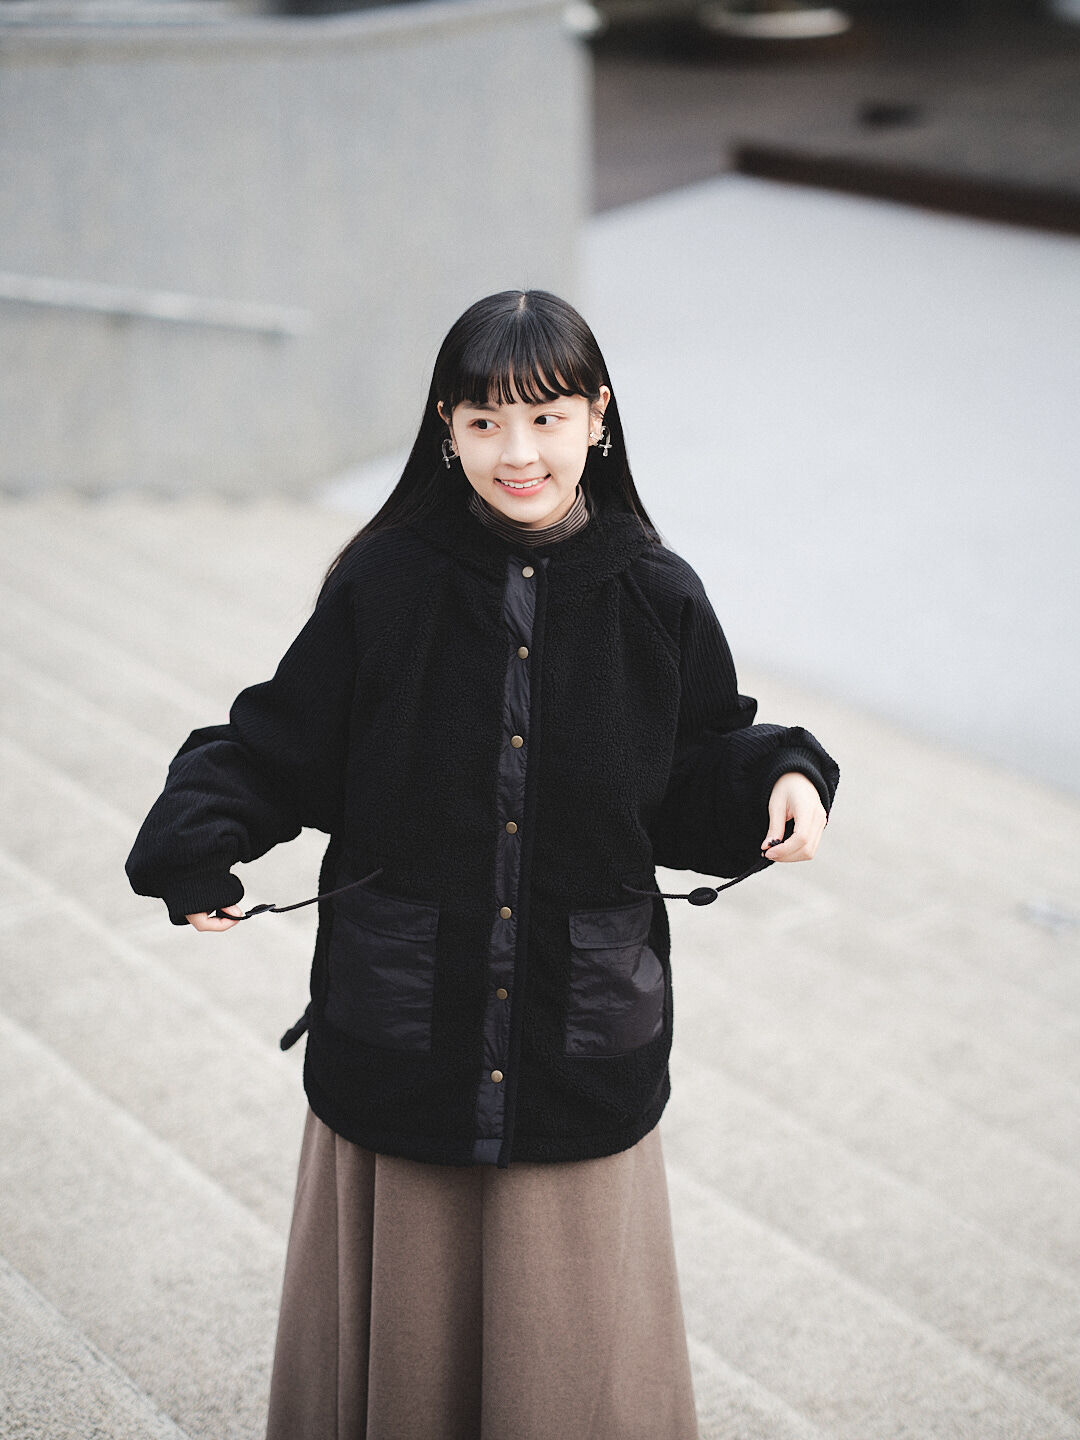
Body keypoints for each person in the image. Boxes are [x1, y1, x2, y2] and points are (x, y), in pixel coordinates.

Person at [126, 289, 839, 1440]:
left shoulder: (656, 591)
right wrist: (197, 842)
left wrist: (781, 777)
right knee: (407, 1346)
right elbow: (276, 746)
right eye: (485, 422)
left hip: (575, 1043)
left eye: (548, 418)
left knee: (564, 1358)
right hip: (405, 1030)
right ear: (444, 429)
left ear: (598, 418)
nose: (519, 453)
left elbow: (700, 754)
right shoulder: (386, 582)